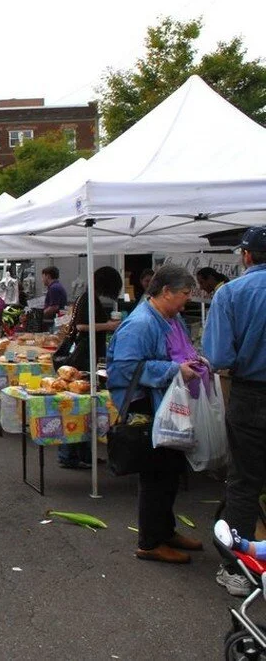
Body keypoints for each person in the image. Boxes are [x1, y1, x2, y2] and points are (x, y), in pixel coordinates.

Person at [107, 264, 206, 564]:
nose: (186, 301)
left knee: (170, 470)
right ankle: (149, 542)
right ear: (165, 292)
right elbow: (123, 368)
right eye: (184, 294)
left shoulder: (166, 319)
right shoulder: (141, 323)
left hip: (162, 403)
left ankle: (165, 531)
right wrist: (175, 369)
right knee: (156, 474)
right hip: (144, 406)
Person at [204, 226, 266, 597]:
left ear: (246, 255)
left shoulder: (232, 293)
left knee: (244, 482)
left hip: (251, 395)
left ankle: (240, 571)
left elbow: (220, 356)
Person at [57, 266, 123, 470]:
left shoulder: (87, 297)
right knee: (78, 409)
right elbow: (81, 327)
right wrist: (109, 326)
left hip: (86, 356)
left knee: (85, 409)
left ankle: (84, 454)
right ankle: (70, 455)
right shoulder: (88, 298)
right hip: (84, 357)